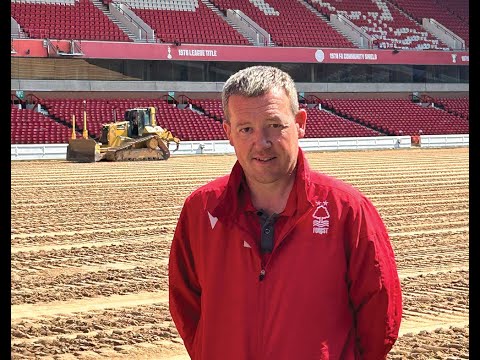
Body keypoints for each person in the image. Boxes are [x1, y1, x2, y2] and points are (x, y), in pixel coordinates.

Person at [168, 65, 403, 360]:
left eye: (274, 125)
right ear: (228, 133)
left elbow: (380, 312)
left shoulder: (348, 210)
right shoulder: (201, 210)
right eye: (246, 129)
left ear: (300, 123)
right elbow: (186, 305)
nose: (262, 142)